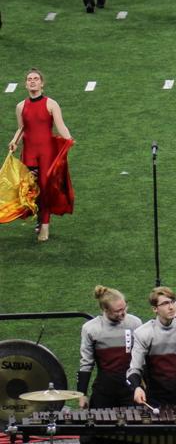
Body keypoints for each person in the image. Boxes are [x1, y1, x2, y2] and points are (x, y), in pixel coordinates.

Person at [7, 68, 73, 242]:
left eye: (36, 79)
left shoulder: (51, 104)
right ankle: (39, 216)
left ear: (42, 83)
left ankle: (45, 226)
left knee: (45, 189)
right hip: (29, 153)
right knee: (31, 190)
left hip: (46, 154)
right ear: (26, 84)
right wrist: (14, 141)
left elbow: (61, 125)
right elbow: (22, 128)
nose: (33, 81)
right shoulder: (20, 106)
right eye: (29, 79)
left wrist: (68, 139)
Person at [77, 285, 142, 409]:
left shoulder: (135, 323)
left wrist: (141, 387)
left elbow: (143, 358)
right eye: (117, 311)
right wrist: (82, 394)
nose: (123, 313)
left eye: (124, 308)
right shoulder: (91, 329)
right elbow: (86, 363)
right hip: (104, 390)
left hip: (130, 389)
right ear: (105, 309)